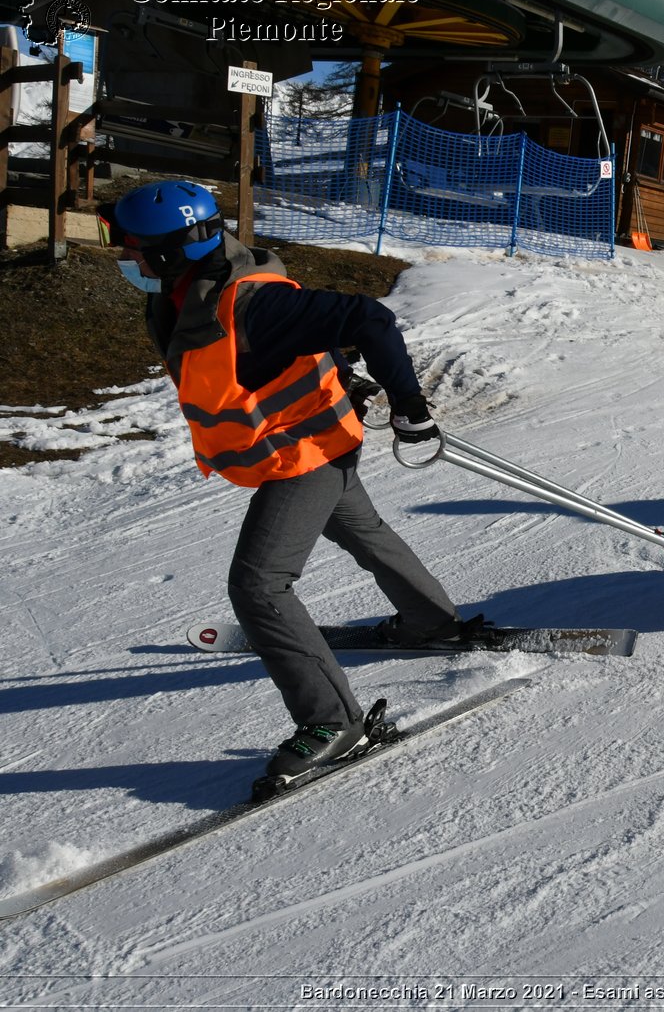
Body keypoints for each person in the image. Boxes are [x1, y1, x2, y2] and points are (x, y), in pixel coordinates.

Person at [103, 179, 476, 786]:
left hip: (304, 457)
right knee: (364, 530)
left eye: (133, 250)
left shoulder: (249, 301)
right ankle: (431, 622)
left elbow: (370, 318)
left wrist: (409, 406)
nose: (125, 259)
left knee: (257, 585)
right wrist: (337, 371)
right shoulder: (188, 291)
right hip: (308, 442)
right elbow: (282, 356)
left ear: (173, 252)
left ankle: (334, 721)